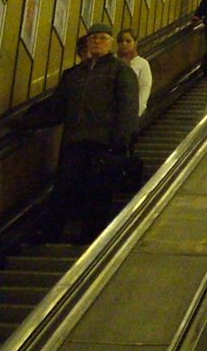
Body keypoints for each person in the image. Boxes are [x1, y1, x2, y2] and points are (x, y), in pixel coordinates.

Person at [21, 22, 139, 241]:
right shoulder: (74, 75)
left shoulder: (120, 71)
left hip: (104, 143)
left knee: (98, 193)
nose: (97, 42)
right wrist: (25, 122)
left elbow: (128, 108)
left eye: (103, 38)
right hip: (75, 141)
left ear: (110, 43)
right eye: (93, 38)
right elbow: (57, 107)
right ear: (87, 43)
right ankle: (51, 234)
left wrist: (121, 142)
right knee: (63, 189)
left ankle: (92, 240)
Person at [116, 27, 152, 116]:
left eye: (128, 41)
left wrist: (137, 112)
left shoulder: (142, 63)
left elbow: (144, 88)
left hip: (131, 111)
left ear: (135, 43)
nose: (124, 44)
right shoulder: (113, 62)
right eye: (121, 41)